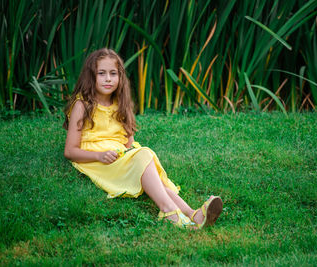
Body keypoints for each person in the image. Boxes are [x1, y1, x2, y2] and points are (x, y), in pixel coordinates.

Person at [63, 48, 223, 229]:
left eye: (113, 73)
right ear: (90, 76)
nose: (108, 78)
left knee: (147, 164)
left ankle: (192, 214)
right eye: (101, 73)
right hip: (96, 159)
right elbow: (70, 151)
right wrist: (99, 156)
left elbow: (129, 143)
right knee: (143, 156)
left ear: (120, 77)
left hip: (118, 156)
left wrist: (131, 156)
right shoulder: (82, 105)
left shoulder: (120, 104)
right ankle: (168, 211)